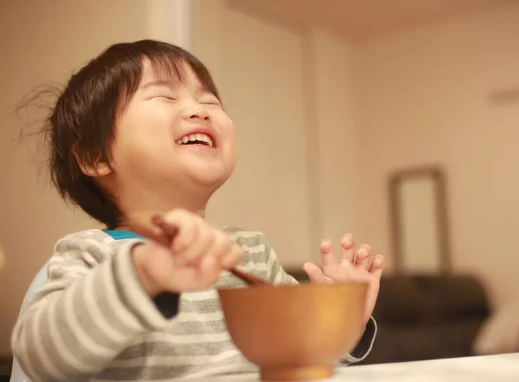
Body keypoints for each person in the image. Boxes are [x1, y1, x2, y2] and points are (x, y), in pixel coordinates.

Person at [11, 39, 384, 381]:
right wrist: (141, 273)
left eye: (211, 102)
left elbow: (299, 358)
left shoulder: (250, 251)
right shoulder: (91, 256)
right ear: (96, 156)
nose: (199, 111)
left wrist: (342, 320)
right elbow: (39, 357)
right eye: (165, 98)